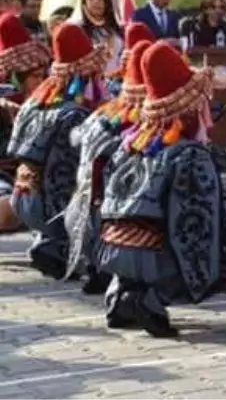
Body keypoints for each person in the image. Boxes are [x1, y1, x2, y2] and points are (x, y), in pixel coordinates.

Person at [95, 42, 226, 337]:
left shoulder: (130, 143)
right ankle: (152, 299)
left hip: (108, 253)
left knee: (143, 233)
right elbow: (202, 226)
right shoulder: (189, 155)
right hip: (151, 258)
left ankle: (121, 299)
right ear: (190, 107)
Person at [7, 22, 110, 279]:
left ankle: (47, 242)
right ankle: (62, 246)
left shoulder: (35, 102)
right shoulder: (74, 115)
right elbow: (63, 179)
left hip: (21, 196)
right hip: (47, 205)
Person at [64, 40, 154, 296]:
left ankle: (97, 270)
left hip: (84, 207)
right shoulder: (139, 127)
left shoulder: (103, 114)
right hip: (111, 211)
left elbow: (75, 138)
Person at [0, 13, 52, 234]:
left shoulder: (50, 102)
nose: (41, 82)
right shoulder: (7, 100)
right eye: (35, 76)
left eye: (43, 75)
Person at [74, 0, 124, 74]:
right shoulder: (77, 29)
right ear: (84, 3)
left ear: (107, 2)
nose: (96, 1)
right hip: (90, 84)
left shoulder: (115, 28)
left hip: (116, 82)